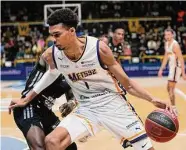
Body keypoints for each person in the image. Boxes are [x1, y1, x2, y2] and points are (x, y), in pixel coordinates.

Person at [9, 8, 173, 150]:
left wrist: (152, 99)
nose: (54, 40)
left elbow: (128, 85)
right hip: (86, 108)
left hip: (112, 104)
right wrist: (27, 98)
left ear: (72, 31)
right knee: (52, 141)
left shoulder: (98, 49)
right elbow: (51, 73)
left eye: (57, 35)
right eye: (52, 35)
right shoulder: (53, 54)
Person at [9, 54, 77, 150]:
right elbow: (47, 55)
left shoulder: (72, 74)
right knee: (39, 147)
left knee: (70, 147)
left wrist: (72, 103)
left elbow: (72, 96)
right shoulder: (51, 58)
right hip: (29, 106)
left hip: (46, 111)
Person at [158, 28, 186, 116]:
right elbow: (166, 57)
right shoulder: (167, 43)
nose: (167, 36)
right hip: (171, 68)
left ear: (172, 35)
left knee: (170, 89)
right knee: (168, 88)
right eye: (166, 35)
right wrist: (161, 69)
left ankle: (174, 109)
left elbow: (181, 58)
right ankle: (174, 107)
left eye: (169, 35)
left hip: (176, 68)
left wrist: (183, 73)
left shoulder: (175, 45)